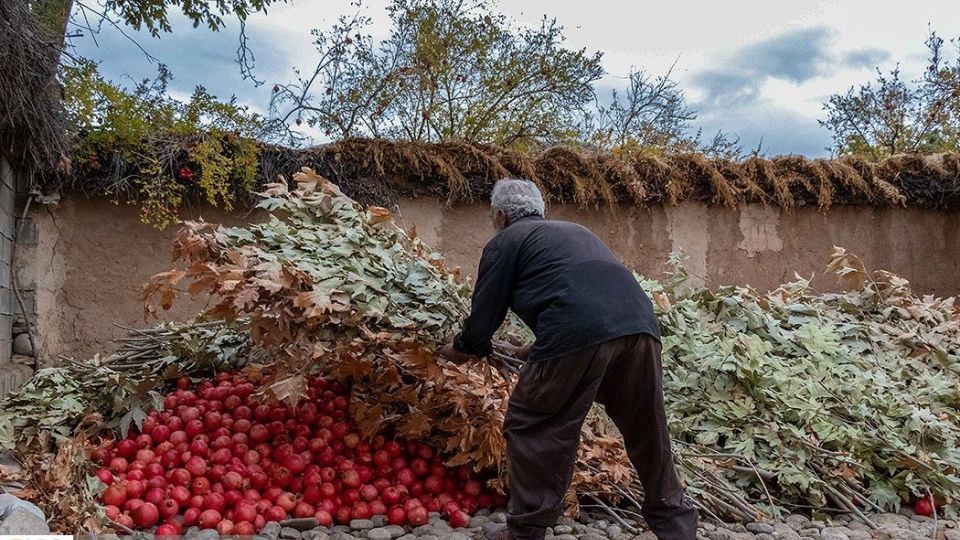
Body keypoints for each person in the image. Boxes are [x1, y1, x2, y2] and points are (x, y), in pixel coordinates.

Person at [440, 178, 699, 540]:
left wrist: (461, 348)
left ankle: (526, 530)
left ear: (500, 216)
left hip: (581, 332)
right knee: (648, 430)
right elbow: (587, 297)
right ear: (540, 210)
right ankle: (677, 527)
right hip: (641, 327)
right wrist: (532, 349)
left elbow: (484, 318)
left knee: (533, 423)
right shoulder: (575, 232)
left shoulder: (506, 241)